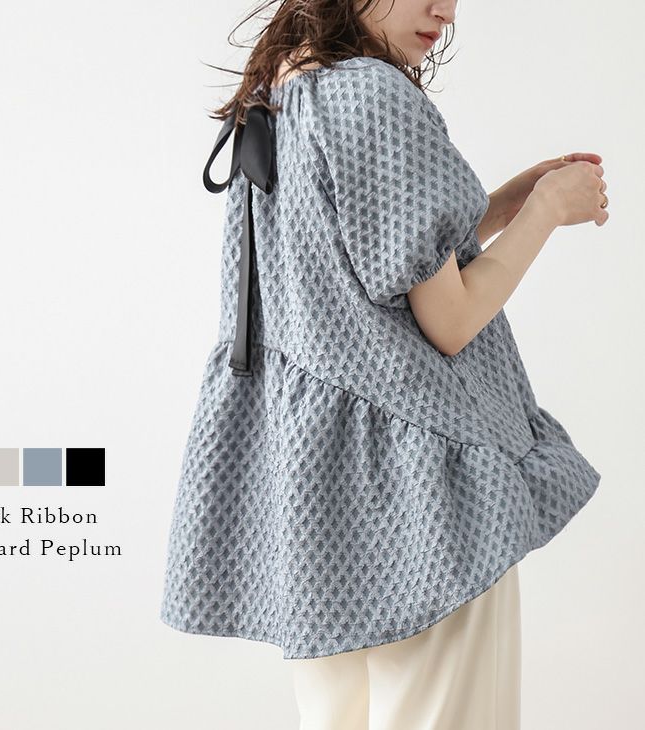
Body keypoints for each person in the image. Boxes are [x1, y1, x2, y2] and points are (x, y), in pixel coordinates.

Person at [160, 1, 607, 727]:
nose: (446, 10)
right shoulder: (374, 93)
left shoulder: (281, 89)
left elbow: (364, 261)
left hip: (320, 502)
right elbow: (450, 320)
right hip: (420, 498)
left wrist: (502, 205)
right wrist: (547, 211)